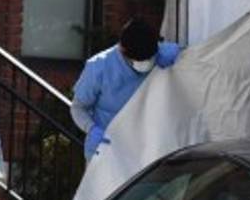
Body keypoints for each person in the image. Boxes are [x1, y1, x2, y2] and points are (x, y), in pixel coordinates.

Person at [71, 18, 182, 159]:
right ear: (122, 50)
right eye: (139, 60)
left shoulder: (158, 51)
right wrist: (91, 128)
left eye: (149, 58)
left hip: (147, 150)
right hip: (107, 151)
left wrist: (179, 55)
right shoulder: (99, 67)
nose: (146, 64)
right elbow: (78, 108)